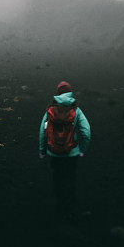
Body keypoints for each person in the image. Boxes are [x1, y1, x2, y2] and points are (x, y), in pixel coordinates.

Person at [38, 81, 91, 216]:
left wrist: (42, 151)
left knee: (58, 177)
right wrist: (82, 150)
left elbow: (43, 132)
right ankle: (70, 205)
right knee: (71, 178)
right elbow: (86, 131)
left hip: (54, 153)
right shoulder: (76, 110)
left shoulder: (50, 110)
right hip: (71, 152)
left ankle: (59, 205)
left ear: (57, 93)